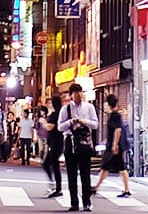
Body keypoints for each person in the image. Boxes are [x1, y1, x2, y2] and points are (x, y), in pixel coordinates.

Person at [59, 84, 100, 212]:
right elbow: (60, 127)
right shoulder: (66, 109)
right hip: (70, 142)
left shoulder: (89, 107)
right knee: (71, 175)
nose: (79, 95)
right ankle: (74, 203)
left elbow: (95, 124)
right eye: (76, 92)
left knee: (85, 174)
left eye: (80, 92)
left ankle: (87, 202)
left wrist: (84, 121)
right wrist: (70, 122)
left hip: (84, 143)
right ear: (71, 95)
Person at [96, 93, 131, 199]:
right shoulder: (113, 115)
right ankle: (96, 186)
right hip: (113, 145)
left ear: (108, 104)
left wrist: (114, 144)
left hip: (114, 147)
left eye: (105, 103)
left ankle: (127, 190)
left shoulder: (114, 115)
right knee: (108, 166)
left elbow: (118, 129)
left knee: (117, 167)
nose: (104, 105)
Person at [41, 104, 64, 200]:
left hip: (56, 144)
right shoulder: (58, 113)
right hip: (56, 144)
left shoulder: (56, 114)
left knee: (48, 163)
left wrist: (43, 123)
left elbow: (50, 127)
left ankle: (55, 186)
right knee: (53, 164)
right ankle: (55, 186)